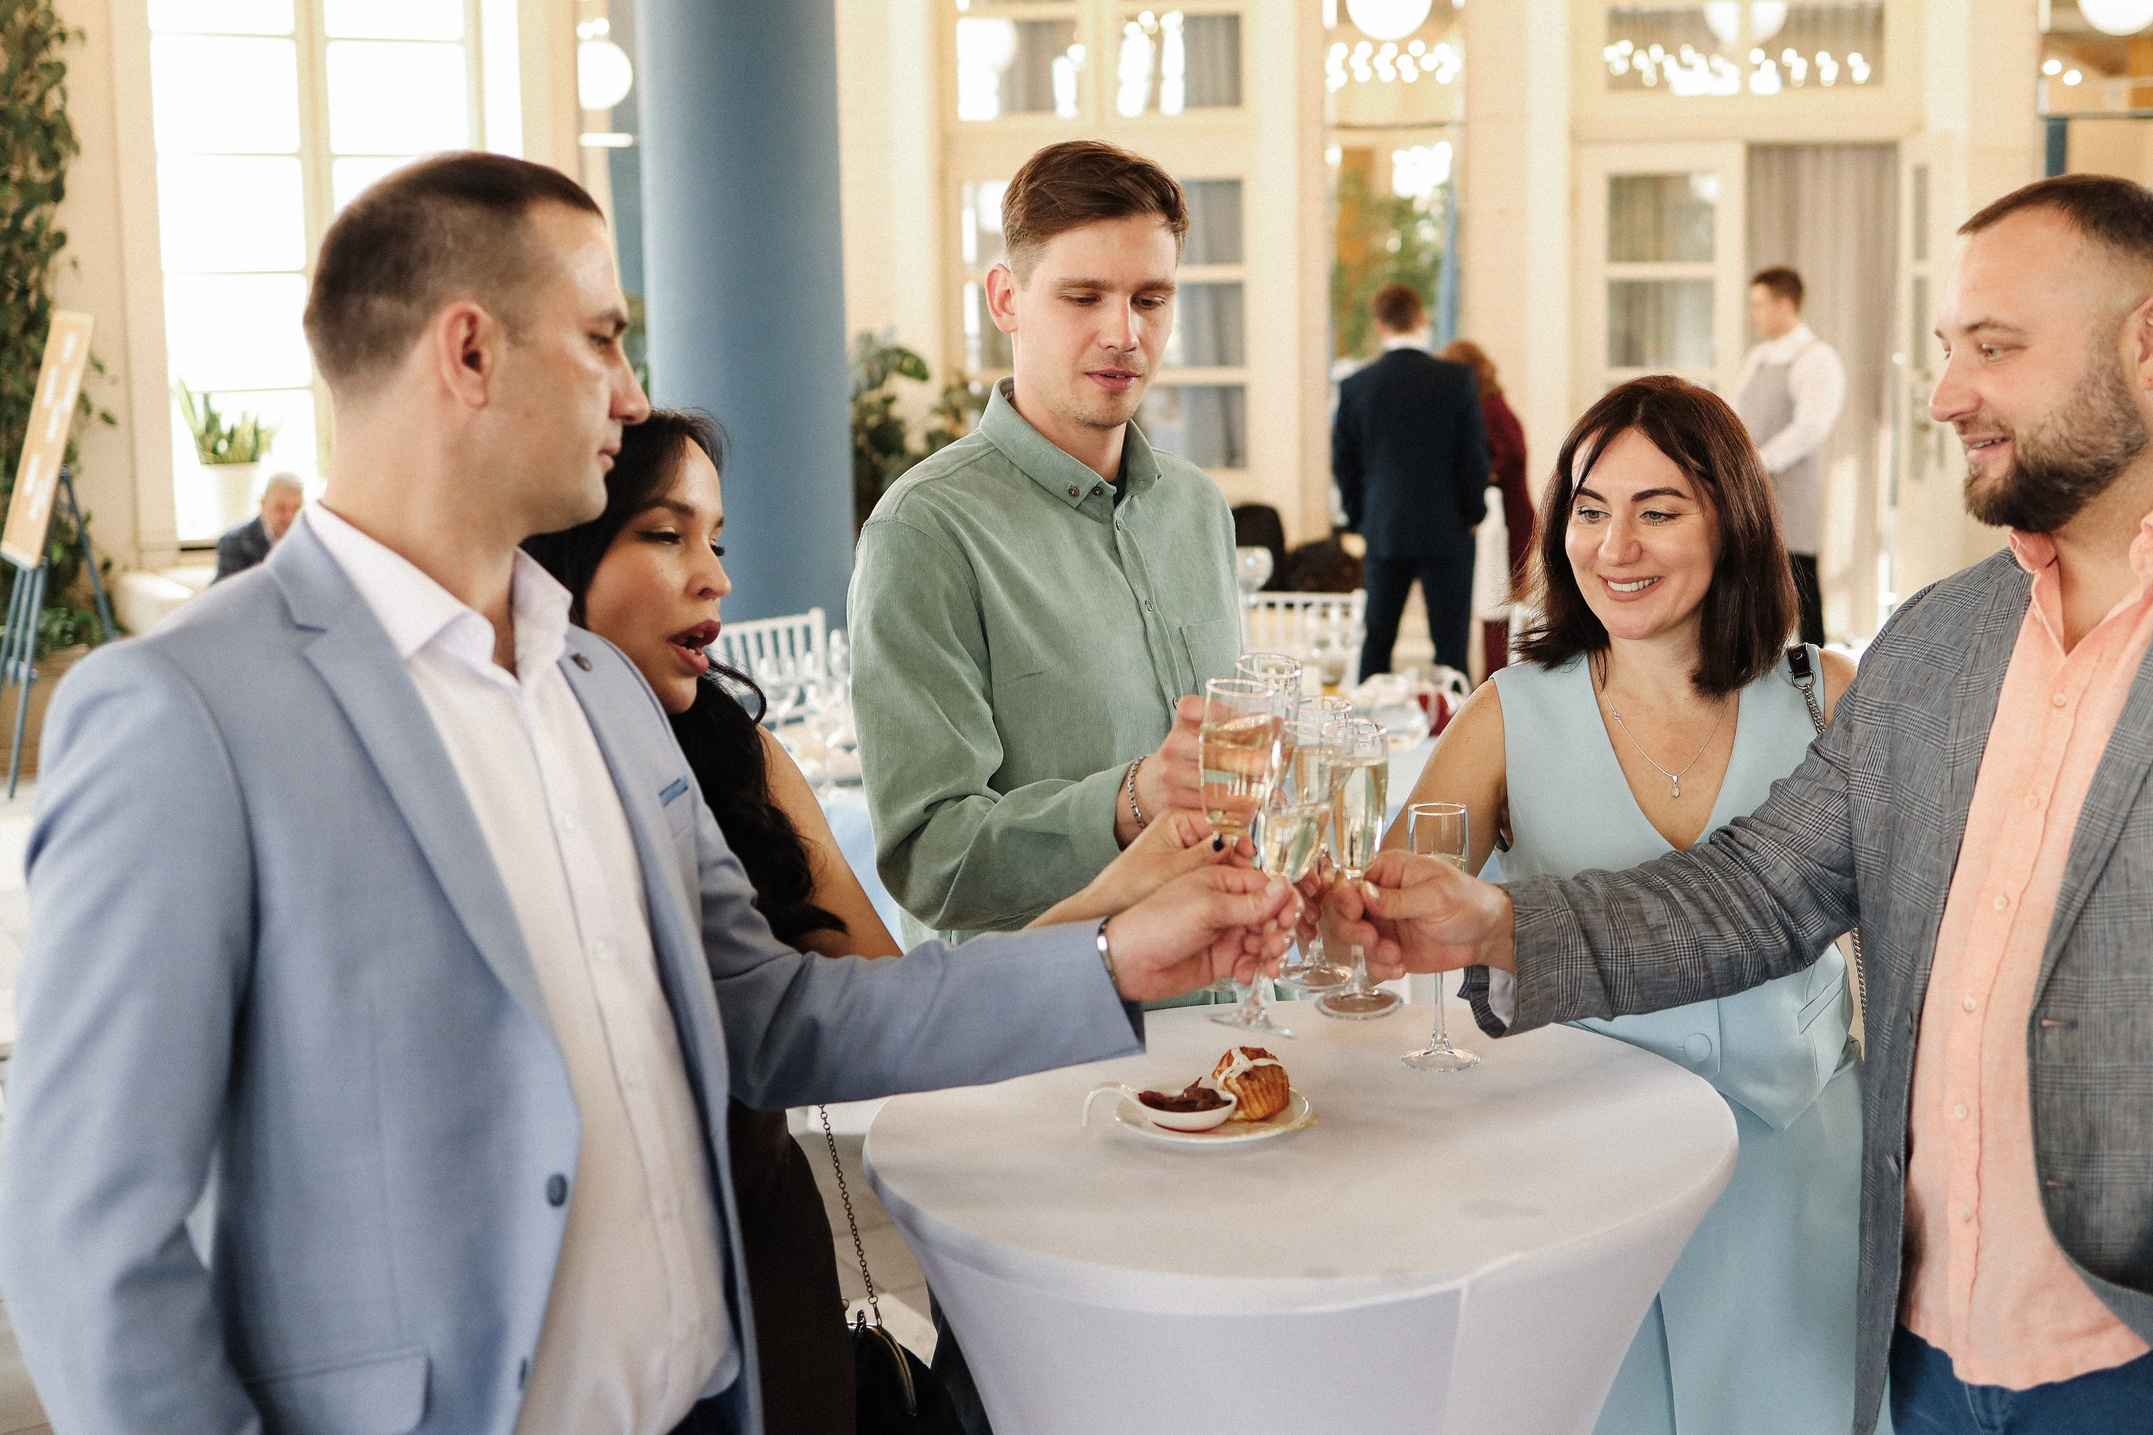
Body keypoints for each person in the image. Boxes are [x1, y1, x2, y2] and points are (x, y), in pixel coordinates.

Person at [0, 151, 1291, 1435]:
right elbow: (83, 1230)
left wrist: (1118, 955)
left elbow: (772, 1015)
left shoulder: (601, 688)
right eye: (605, 337)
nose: (630, 393)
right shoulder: (181, 709)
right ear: (469, 353)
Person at [1335, 173, 2153, 1435]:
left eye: (1994, 347)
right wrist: (1495, 929)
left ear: (2150, 343)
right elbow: (1758, 890)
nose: (1945, 395)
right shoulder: (1937, 642)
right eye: (1945, 351)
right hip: (1923, 1363)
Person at [527, 408, 1231, 1434]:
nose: (716, 576)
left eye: (715, 541)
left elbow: (876, 1005)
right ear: (565, 543)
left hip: (766, 1279)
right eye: (664, 534)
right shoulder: (502, 757)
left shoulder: (741, 761)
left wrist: (1119, 904)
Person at [1403, 375, 1862, 1435]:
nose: (1616, 547)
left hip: (1796, 1177)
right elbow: (1396, 914)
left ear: (1733, 520)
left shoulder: (1826, 695)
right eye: (1590, 510)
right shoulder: (1508, 712)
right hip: (1583, 1175)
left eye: (1659, 511)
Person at [849, 139, 1245, 947]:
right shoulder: (924, 530)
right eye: (1083, 296)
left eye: (1150, 298)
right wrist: (1130, 798)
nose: (1123, 333)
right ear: (1007, 299)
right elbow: (932, 860)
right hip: (1053, 1039)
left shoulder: (1199, 509)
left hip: (1234, 1003)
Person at [1332, 283, 1490, 679]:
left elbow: (1343, 463)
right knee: (1451, 648)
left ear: (1380, 325)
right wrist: (1474, 512)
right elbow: (1473, 457)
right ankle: (1457, 733)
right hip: (1447, 526)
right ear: (1422, 319)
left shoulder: (1356, 386)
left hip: (1385, 526)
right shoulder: (1456, 380)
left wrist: (1359, 519)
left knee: (1377, 641)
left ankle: (1367, 730)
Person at [1734, 267, 1844, 648]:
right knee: (1752, 574)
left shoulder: (1816, 358)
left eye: (1759, 304)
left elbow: (1812, 426)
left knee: (1800, 576)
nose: (1753, 314)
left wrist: (1760, 462)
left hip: (1792, 487)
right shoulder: (1759, 357)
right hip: (1750, 483)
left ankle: (1818, 666)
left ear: (1784, 304)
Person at [1441, 338, 1531, 675]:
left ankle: (1496, 680)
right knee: (1494, 608)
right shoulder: (1490, 406)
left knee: (1497, 608)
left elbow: (1506, 461)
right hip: (1504, 518)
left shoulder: (1489, 410)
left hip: (1506, 522)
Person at [213, 468, 303, 578]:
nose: (289, 517)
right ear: (263, 503)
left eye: (296, 509)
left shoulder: (307, 542)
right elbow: (224, 591)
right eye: (281, 508)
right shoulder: (234, 542)